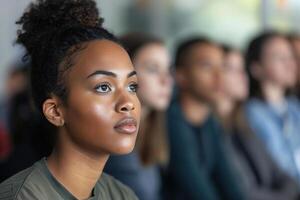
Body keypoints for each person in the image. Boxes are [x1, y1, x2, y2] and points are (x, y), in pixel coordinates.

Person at [0, 0, 141, 199]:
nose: (128, 103)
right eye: (103, 87)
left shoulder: (122, 194)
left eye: (132, 86)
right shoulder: (23, 196)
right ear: (55, 111)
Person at [163, 37, 245, 200]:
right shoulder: (170, 121)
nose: (219, 76)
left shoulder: (210, 122)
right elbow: (196, 189)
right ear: (181, 76)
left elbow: (229, 182)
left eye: (222, 66)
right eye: (206, 66)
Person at [216, 45, 300, 200]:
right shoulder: (250, 115)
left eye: (242, 68)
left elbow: (282, 176)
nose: (243, 75)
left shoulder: (241, 125)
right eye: (232, 69)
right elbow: (243, 192)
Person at [105, 33, 173, 200]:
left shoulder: (150, 130)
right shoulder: (115, 138)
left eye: (168, 70)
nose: (166, 80)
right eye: (153, 69)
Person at [245, 31, 300, 184]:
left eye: (290, 57)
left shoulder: (294, 107)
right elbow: (279, 168)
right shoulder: (252, 113)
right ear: (256, 68)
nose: (290, 63)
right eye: (279, 57)